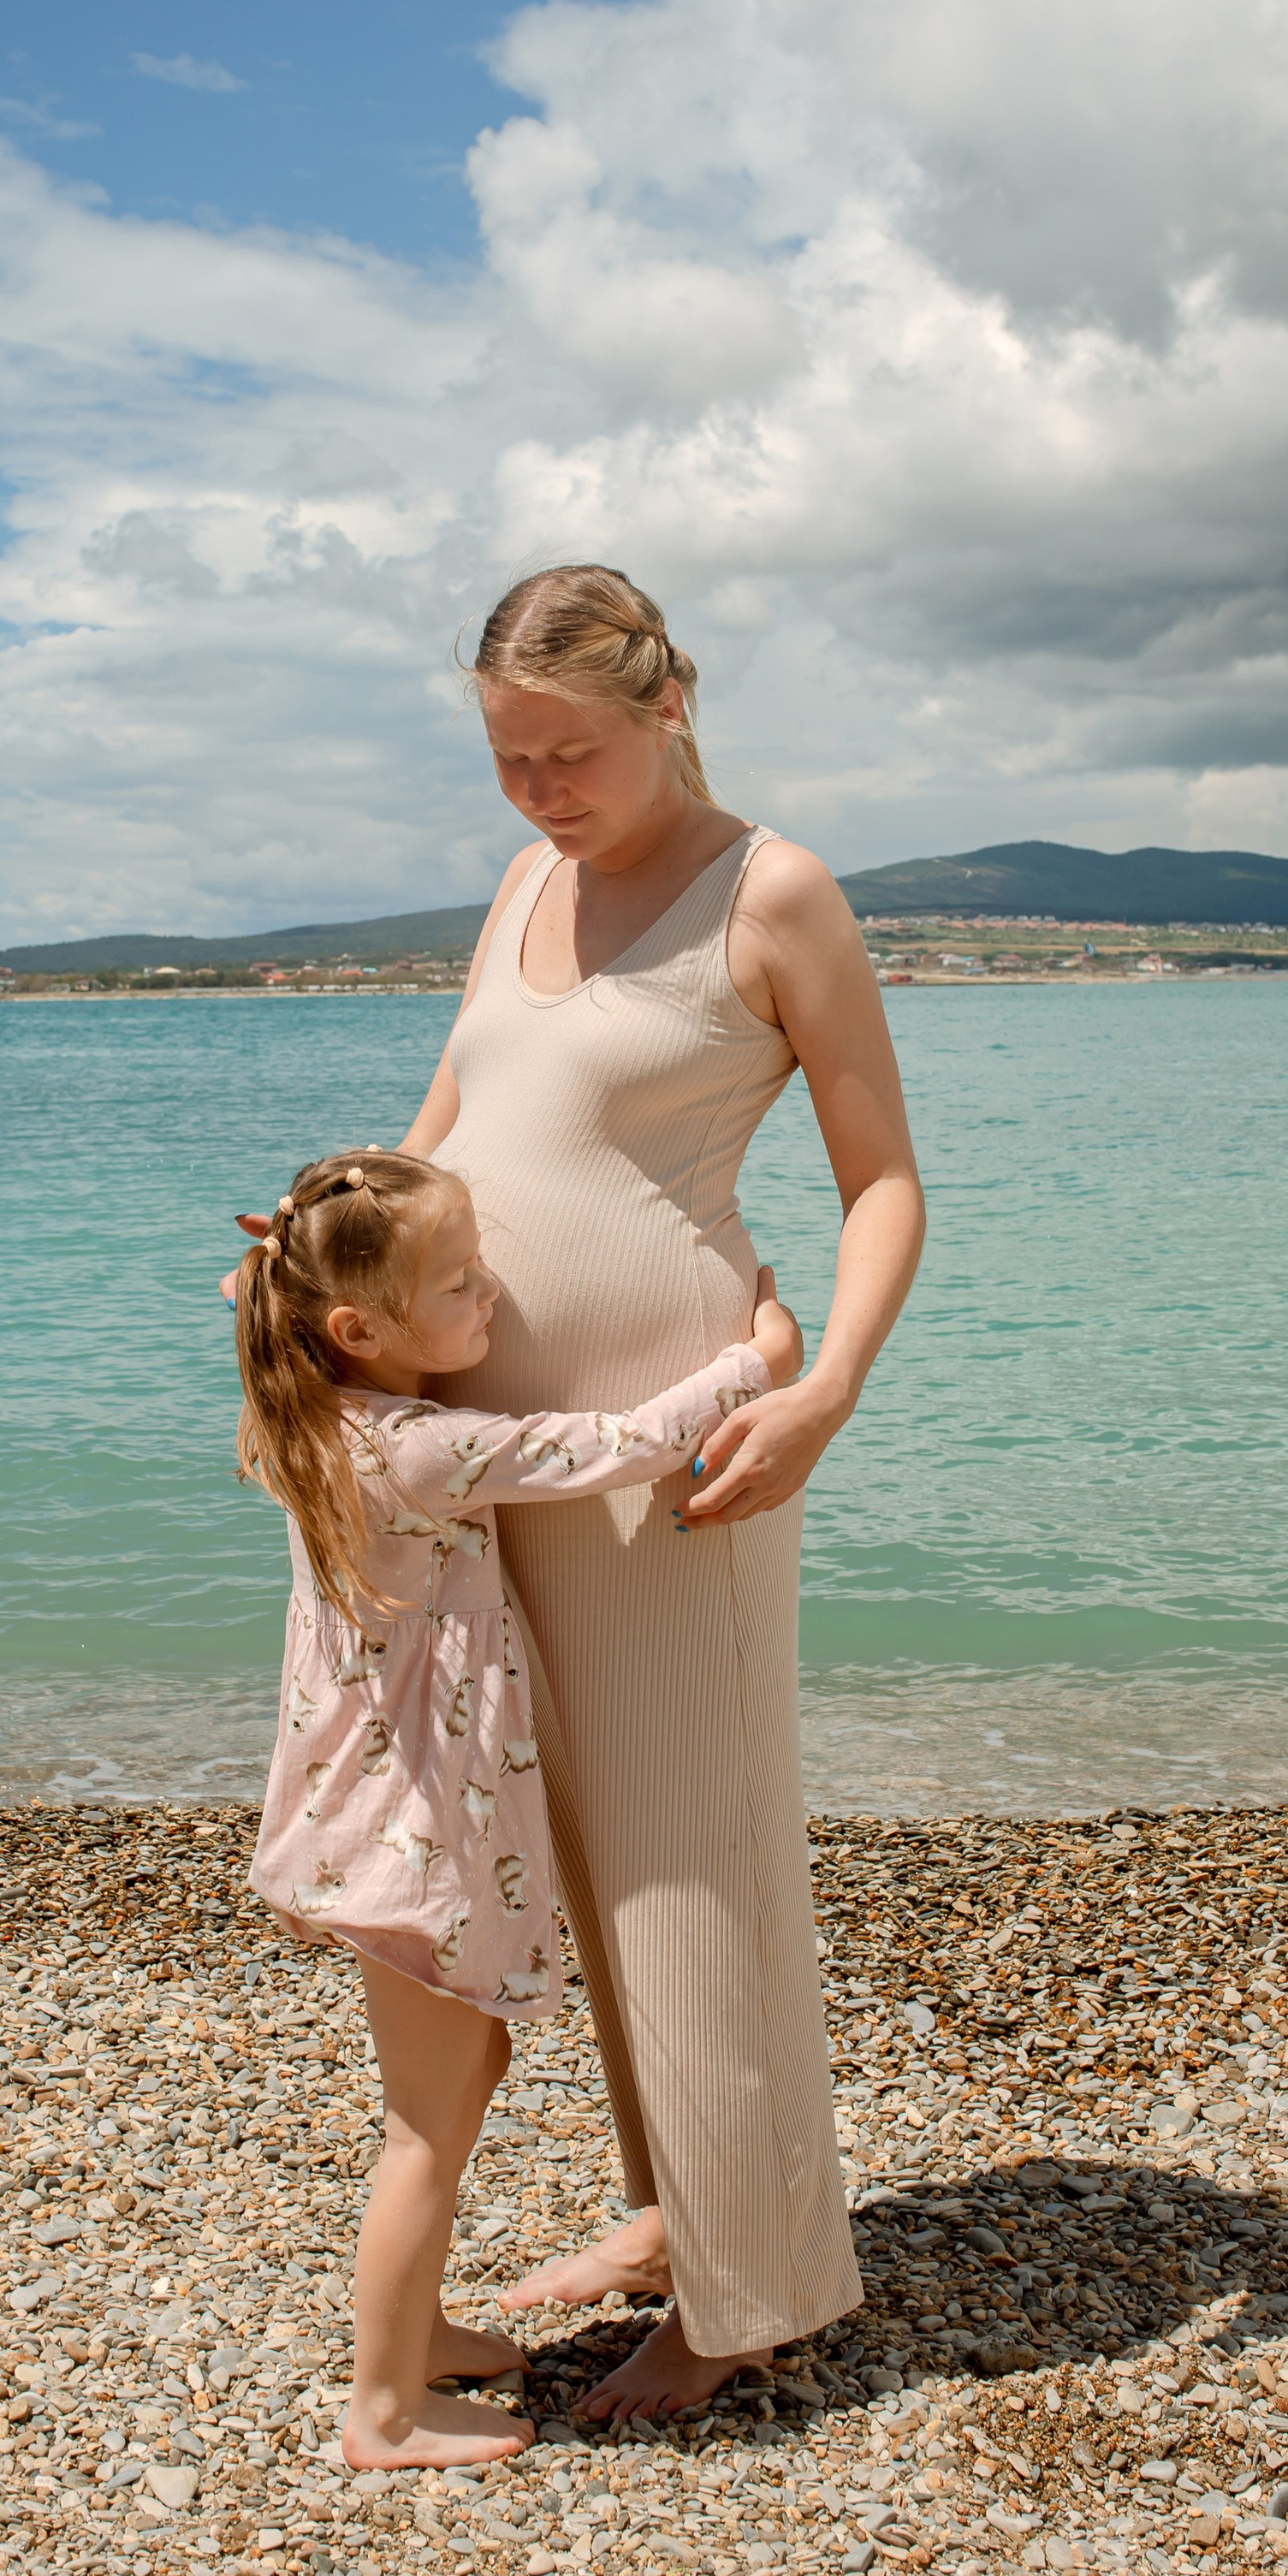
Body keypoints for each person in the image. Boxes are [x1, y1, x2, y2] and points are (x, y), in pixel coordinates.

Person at [401, 562, 925, 2420]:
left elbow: (880, 1182)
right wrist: (318, 1268)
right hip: (499, 1455)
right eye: (505, 756)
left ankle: (746, 2293)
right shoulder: (527, 880)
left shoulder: (767, 891)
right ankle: (675, 2204)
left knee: (695, 1853)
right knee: (592, 1848)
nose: (538, 789)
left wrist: (827, 1396)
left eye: (570, 753)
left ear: (669, 703)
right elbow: (443, 1132)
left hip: (683, 1445)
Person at [232, 1141, 803, 2469]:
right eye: (459, 1284)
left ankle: (420, 2333)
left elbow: (298, 1304)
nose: (489, 1297)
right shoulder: (419, 1450)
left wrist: (303, 1264)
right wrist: (758, 1357)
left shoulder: (310, 1419)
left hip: (382, 1816)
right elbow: (615, 1446)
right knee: (426, 2127)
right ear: (359, 1328)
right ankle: (383, 2406)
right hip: (413, 1835)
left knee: (463, 2070)